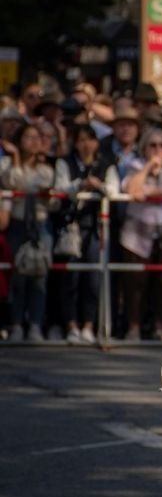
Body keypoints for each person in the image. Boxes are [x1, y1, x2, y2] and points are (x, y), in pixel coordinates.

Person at [54, 125, 120, 344]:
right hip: (71, 226)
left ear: (96, 142)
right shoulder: (66, 163)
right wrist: (81, 184)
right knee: (70, 276)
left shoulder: (106, 165)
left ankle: (89, 326)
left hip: (96, 228)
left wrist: (98, 185)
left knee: (93, 278)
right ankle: (71, 324)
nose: (85, 145)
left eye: (89, 140)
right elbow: (61, 188)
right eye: (80, 140)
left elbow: (113, 190)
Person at [119, 128, 162, 341]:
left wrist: (145, 192)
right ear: (144, 148)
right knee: (135, 282)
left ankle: (159, 326)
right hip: (137, 233)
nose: (158, 150)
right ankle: (134, 326)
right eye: (152, 145)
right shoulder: (135, 165)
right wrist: (148, 168)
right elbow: (130, 188)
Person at [0, 124, 56, 342]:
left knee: (39, 276)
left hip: (40, 224)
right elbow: (13, 182)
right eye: (28, 137)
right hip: (17, 223)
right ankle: (16, 325)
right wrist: (15, 158)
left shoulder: (46, 169)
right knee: (18, 276)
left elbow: (43, 189)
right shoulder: (6, 164)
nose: (33, 142)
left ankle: (35, 324)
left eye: (37, 137)